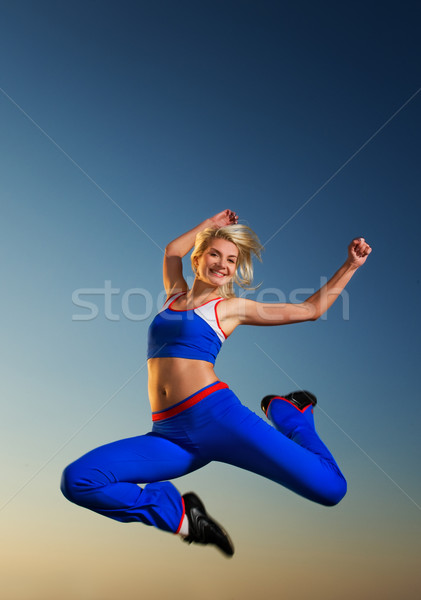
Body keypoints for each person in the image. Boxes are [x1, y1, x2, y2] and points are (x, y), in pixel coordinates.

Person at [61, 209, 372, 557]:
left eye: (231, 259)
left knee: (331, 490)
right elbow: (170, 252)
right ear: (200, 257)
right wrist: (210, 225)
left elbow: (310, 309)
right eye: (214, 254)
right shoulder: (173, 296)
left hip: (218, 419)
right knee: (79, 480)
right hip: (169, 435)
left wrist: (350, 265)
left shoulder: (230, 308)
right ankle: (181, 517)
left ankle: (293, 417)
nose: (222, 264)